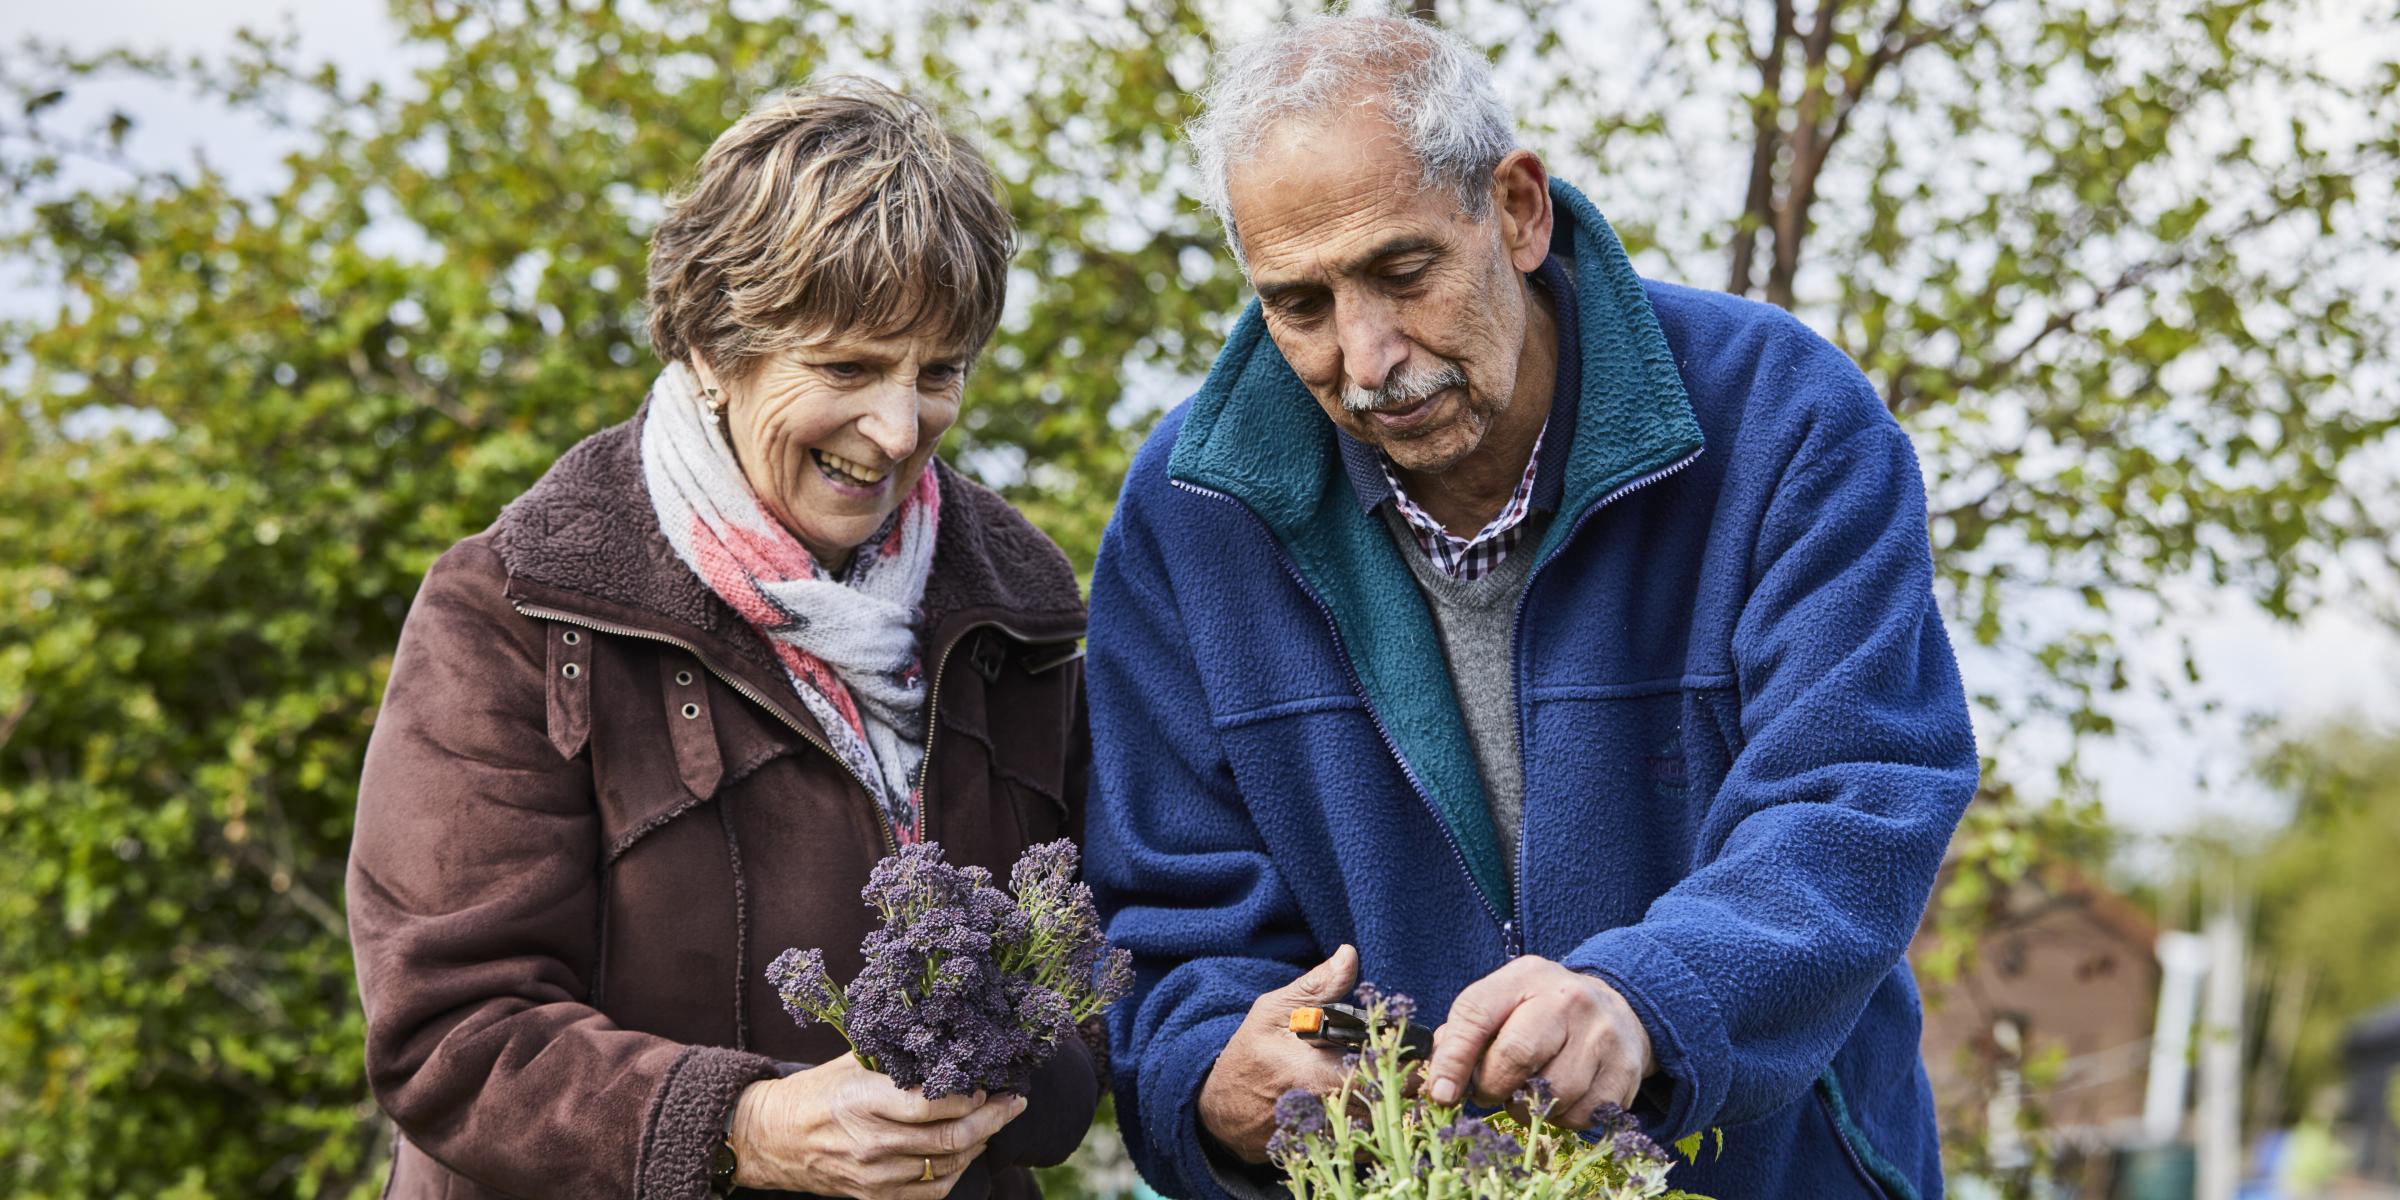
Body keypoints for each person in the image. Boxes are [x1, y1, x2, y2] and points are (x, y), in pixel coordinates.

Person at [1086, 15, 1978, 1199]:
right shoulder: (1189, 507)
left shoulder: (1785, 420)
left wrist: (1645, 999)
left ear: (1516, 208)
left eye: (1403, 274)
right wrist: (1210, 1070)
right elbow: (1168, 915)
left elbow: (1856, 796)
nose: (1367, 356)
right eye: (1299, 304)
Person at [348, 79, 1098, 1199]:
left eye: (937, 373)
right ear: (711, 346)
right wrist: (745, 1126)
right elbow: (450, 1035)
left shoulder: (1021, 616)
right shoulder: (513, 610)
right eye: (846, 368)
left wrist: (1022, 1078)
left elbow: (1096, 971)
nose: (899, 431)